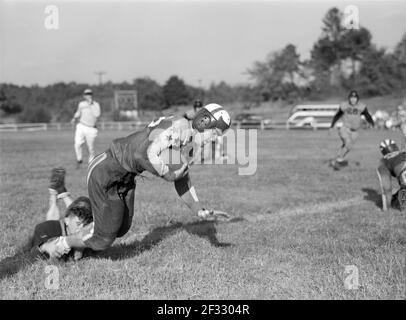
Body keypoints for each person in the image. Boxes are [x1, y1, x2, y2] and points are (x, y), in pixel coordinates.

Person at [41, 104, 232, 258]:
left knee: (122, 227)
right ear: (204, 121)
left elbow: (181, 178)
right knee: (103, 238)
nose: (213, 139)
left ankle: (80, 239)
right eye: (215, 133)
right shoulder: (178, 126)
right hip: (107, 170)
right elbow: (143, 154)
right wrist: (166, 173)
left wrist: (199, 209)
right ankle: (57, 243)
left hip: (126, 176)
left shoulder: (188, 141)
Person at [330, 90, 375, 170]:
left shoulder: (361, 107)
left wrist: (371, 123)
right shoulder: (344, 106)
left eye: (354, 98)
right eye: (351, 98)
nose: (353, 100)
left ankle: (337, 159)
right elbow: (337, 115)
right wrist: (332, 126)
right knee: (348, 143)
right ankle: (338, 160)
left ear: (357, 99)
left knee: (347, 147)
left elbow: (367, 115)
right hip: (345, 128)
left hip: (355, 131)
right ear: (349, 98)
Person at [71, 88, 101, 168]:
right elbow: (78, 112)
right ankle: (79, 159)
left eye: (90, 94)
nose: (88, 95)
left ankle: (91, 165)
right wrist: (74, 118)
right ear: (84, 95)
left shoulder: (96, 104)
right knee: (77, 143)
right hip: (81, 126)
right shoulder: (81, 104)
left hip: (91, 128)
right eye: (87, 94)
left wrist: (91, 104)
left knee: (90, 148)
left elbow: (97, 114)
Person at [376, 139, 406, 213]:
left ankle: (402, 208)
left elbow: (387, 188)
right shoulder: (403, 152)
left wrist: (386, 208)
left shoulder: (383, 162)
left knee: (403, 188)